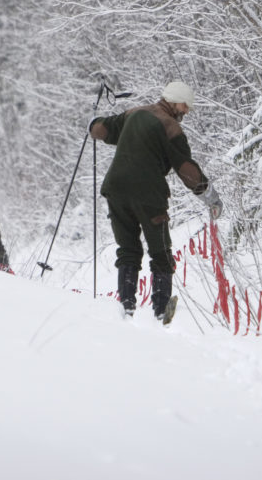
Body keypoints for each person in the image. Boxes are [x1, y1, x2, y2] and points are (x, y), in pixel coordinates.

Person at [89, 81, 223, 322]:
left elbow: (101, 130)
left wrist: (92, 123)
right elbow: (185, 168)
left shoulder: (135, 113)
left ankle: (126, 307)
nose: (186, 111)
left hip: (116, 190)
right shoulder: (171, 128)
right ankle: (161, 311)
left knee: (128, 250)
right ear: (174, 101)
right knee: (160, 252)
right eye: (185, 105)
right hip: (149, 194)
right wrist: (210, 196)